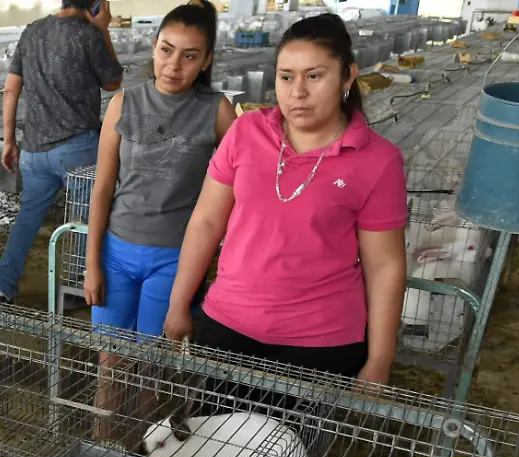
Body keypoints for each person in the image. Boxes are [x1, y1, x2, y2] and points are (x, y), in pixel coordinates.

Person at [164, 12, 407, 389]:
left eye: (315, 75)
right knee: (213, 439)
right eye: (286, 76)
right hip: (228, 324)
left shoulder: (378, 160)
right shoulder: (246, 132)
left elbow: (385, 266)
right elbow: (206, 222)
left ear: (348, 76)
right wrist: (179, 305)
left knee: (295, 447)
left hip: (321, 343)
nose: (298, 92)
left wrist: (380, 359)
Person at [82, 0, 235, 443]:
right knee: (110, 365)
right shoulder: (124, 103)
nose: (174, 65)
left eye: (190, 55)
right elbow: (103, 188)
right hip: (116, 254)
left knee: (152, 370)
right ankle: (102, 452)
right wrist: (92, 264)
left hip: (173, 260)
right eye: (167, 50)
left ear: (206, 60)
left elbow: (246, 173)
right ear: (153, 47)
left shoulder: (217, 111)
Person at [0, 0, 124, 307]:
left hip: (35, 150)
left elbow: (11, 89)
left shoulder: (31, 32)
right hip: (78, 148)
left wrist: (10, 140)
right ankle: (78, 287)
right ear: (94, 4)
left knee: (27, 220)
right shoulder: (87, 34)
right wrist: (103, 28)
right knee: (85, 218)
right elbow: (113, 81)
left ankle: (3, 288)